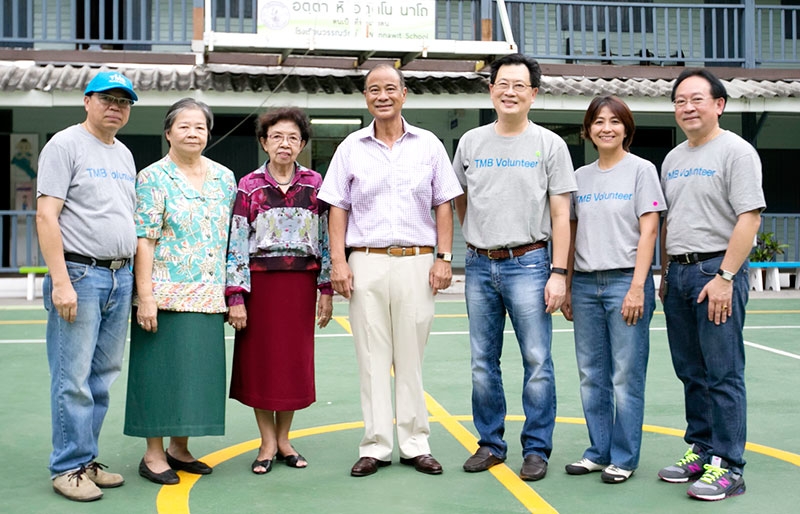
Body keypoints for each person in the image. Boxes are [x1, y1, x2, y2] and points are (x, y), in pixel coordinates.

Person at [318, 64, 463, 478]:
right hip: (365, 261)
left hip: (418, 261)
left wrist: (443, 257)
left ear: (404, 94)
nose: (381, 96)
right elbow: (337, 208)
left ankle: (416, 443)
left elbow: (444, 204)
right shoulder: (350, 147)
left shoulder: (429, 145)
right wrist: (339, 262)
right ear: (366, 97)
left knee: (410, 357)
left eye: (389, 89)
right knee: (371, 357)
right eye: (373, 90)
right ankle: (376, 445)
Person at [453, 53, 576, 481]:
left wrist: (559, 273)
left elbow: (561, 214)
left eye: (519, 85)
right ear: (491, 90)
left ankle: (537, 449)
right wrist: (477, 234)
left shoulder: (550, 144)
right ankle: (490, 443)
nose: (509, 92)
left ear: (533, 94)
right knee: (482, 361)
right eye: (502, 84)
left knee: (537, 359)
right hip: (479, 264)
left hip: (531, 263)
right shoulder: (470, 142)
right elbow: (460, 198)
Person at [657, 69, 764, 501]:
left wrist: (725, 277)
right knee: (691, 371)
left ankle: (730, 465)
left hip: (715, 273)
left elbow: (750, 218)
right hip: (679, 274)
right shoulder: (673, 158)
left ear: (719, 104)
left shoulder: (736, 152)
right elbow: (671, 220)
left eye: (697, 99)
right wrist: (666, 272)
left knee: (723, 373)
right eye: (680, 100)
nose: (688, 107)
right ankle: (701, 449)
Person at [36, 71, 138, 502]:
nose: (115, 106)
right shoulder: (64, 144)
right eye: (107, 98)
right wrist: (60, 281)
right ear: (87, 101)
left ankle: (86, 459)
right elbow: (46, 216)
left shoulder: (125, 154)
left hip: (120, 275)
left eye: (123, 101)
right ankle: (68, 466)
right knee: (72, 378)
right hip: (80, 274)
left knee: (101, 378)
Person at [123, 98, 237, 485]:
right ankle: (153, 453)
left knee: (194, 375)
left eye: (200, 126)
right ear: (168, 132)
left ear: (208, 133)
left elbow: (229, 238)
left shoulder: (225, 177)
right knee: (158, 374)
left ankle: (179, 448)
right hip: (164, 293)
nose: (193, 133)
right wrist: (146, 295)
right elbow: (145, 240)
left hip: (208, 293)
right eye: (184, 126)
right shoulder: (152, 177)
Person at [561, 96, 665, 483]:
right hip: (587, 284)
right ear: (588, 130)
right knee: (591, 373)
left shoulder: (642, 171)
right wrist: (569, 284)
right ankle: (598, 450)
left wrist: (639, 286)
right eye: (598, 121)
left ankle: (623, 456)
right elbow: (570, 233)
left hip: (626, 280)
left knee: (625, 376)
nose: (606, 128)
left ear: (627, 128)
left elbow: (650, 230)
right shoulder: (579, 177)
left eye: (614, 121)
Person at [226, 107, 333, 474]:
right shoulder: (248, 186)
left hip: (300, 286)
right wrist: (236, 296)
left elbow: (327, 239)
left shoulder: (316, 185)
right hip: (261, 287)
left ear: (302, 144)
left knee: (291, 364)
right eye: (276, 137)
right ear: (264, 143)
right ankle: (266, 441)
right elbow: (237, 242)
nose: (284, 144)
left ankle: (284, 438)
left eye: (292, 137)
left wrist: (326, 288)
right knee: (262, 365)